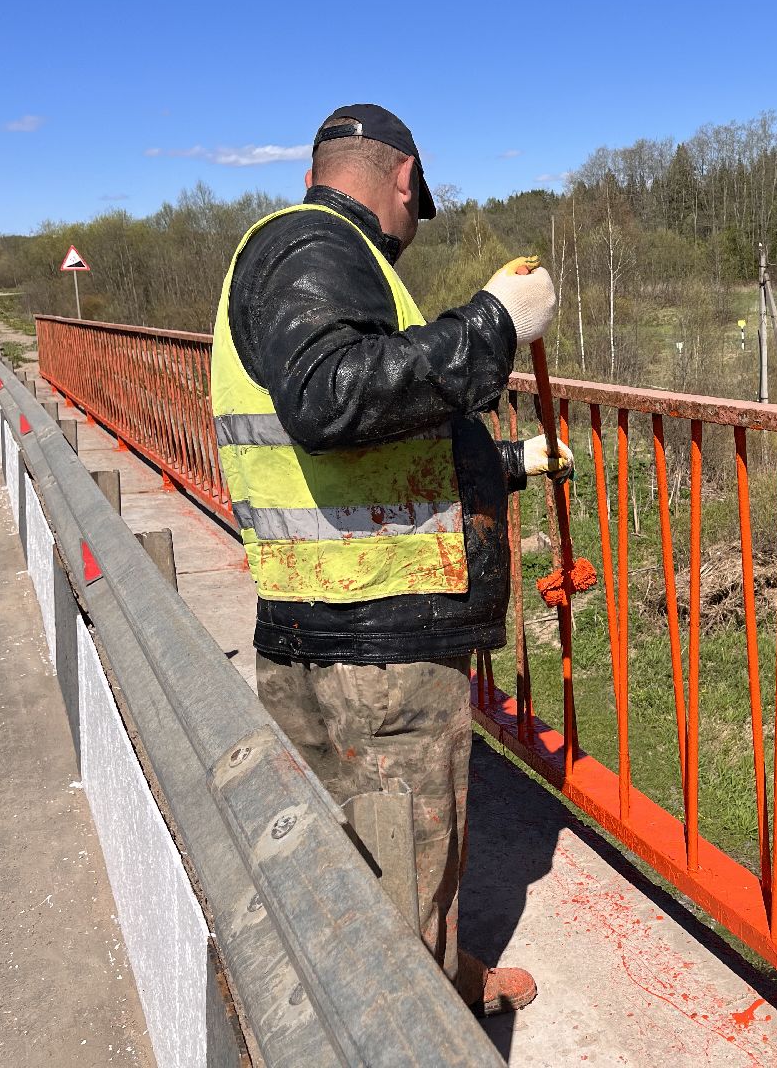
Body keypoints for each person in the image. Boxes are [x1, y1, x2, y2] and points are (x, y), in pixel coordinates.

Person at [209, 103, 568, 1015]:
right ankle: (417, 1018)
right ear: (404, 177)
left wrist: (503, 465)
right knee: (401, 881)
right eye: (417, 205)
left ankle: (447, 983)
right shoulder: (316, 247)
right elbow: (332, 397)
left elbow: (369, 445)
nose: (411, 230)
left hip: (328, 620)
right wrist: (492, 323)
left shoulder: (301, 250)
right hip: (376, 648)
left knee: (354, 870)